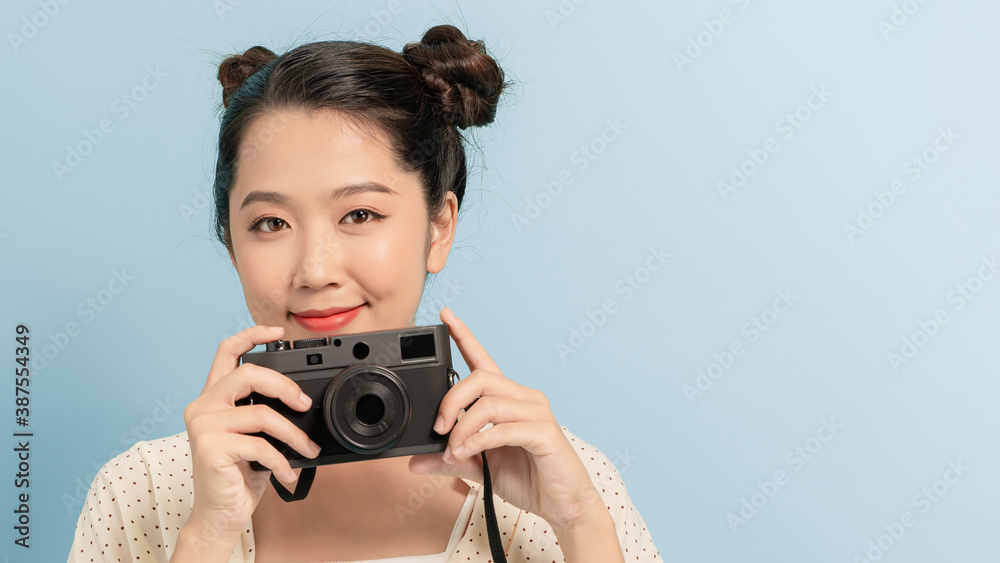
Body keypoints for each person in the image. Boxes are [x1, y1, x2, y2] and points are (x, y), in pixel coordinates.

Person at [68, 24, 659, 563]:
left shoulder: (566, 480)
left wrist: (580, 525)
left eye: (360, 213)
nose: (315, 271)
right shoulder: (141, 492)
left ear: (438, 227)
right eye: (271, 223)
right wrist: (209, 535)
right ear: (231, 245)